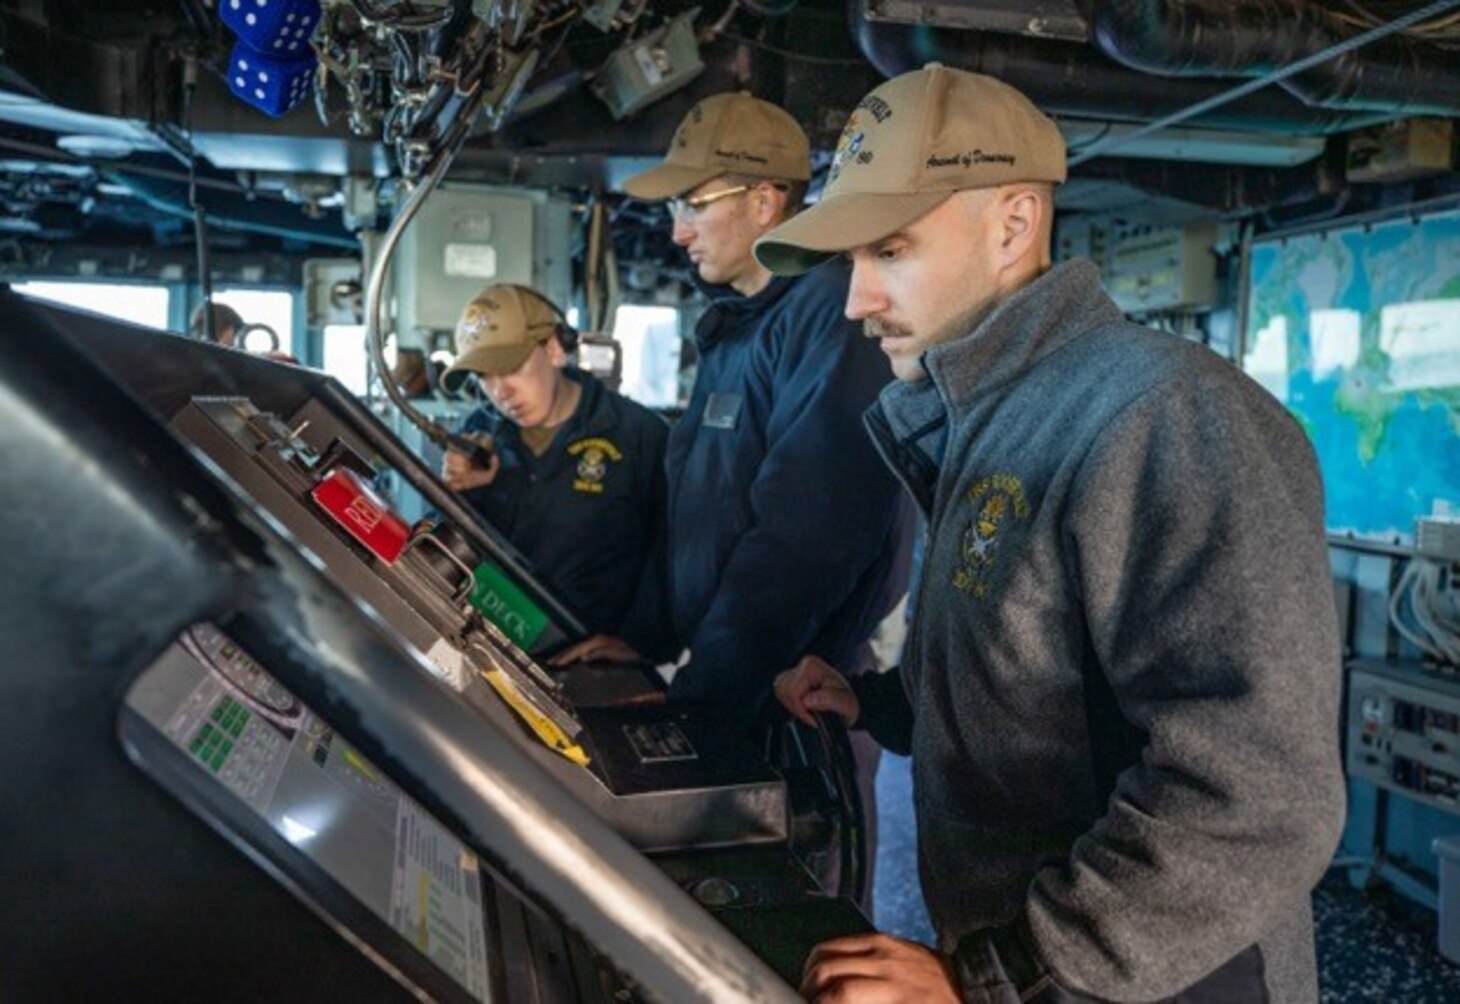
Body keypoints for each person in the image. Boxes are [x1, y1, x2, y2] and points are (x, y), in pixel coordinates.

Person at [761, 65, 1345, 1003]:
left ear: (1014, 224)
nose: (854, 301)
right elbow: (1039, 680)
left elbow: (1258, 798)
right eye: (851, 262)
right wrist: (877, 706)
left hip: (1168, 980)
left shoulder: (1164, 417)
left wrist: (1000, 974)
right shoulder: (989, 423)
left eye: (892, 251)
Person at [555, 91, 910, 734]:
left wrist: (706, 692)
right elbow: (701, 502)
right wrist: (650, 636)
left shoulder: (827, 313)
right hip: (738, 672)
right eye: (673, 208)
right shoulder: (739, 322)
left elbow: (805, 538)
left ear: (765, 202)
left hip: (790, 693)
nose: (676, 231)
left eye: (693, 205)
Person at [440, 283, 669, 637]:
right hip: (490, 642)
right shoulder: (479, 433)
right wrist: (458, 494)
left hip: (589, 660)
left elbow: (674, 558)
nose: (500, 391)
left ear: (554, 350)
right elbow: (446, 555)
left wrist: (640, 643)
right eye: (484, 375)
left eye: (511, 366)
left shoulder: (639, 436)